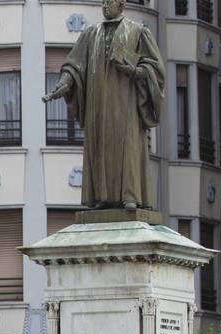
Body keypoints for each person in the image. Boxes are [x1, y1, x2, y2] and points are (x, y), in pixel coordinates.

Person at [41, 0, 165, 210]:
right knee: (101, 144)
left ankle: (130, 196)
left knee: (127, 145)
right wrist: (63, 84)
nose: (105, 6)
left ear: (121, 5)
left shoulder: (137, 31)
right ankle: (102, 196)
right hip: (98, 103)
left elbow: (155, 68)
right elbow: (74, 65)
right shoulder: (91, 34)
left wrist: (135, 71)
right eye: (103, 2)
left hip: (126, 103)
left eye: (110, 2)